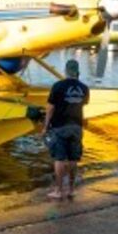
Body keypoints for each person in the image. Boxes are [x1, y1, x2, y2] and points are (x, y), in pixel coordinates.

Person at [41, 59, 90, 200]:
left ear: (66, 71)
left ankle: (58, 191)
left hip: (60, 126)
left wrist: (45, 126)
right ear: (78, 71)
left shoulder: (58, 86)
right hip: (76, 126)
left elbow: (50, 108)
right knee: (74, 158)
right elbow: (82, 105)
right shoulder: (84, 88)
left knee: (59, 159)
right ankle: (71, 190)